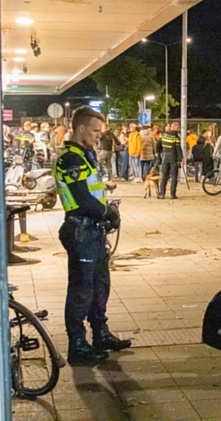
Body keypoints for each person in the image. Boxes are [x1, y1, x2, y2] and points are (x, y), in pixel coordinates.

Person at [54, 107, 130, 365]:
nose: (99, 136)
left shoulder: (84, 155)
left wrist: (105, 211)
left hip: (93, 229)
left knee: (100, 286)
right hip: (82, 229)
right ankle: (77, 345)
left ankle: (100, 333)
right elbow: (82, 198)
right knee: (81, 290)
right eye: (96, 131)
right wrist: (106, 211)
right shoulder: (71, 158)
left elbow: (92, 191)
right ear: (81, 128)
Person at [157, 121, 183, 200]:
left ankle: (162, 194)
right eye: (178, 127)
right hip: (173, 158)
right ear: (174, 128)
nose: (179, 129)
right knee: (174, 177)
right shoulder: (175, 137)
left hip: (165, 158)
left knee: (164, 176)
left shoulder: (163, 135)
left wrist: (159, 153)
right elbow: (178, 149)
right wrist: (181, 158)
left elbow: (157, 144)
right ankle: (172, 194)